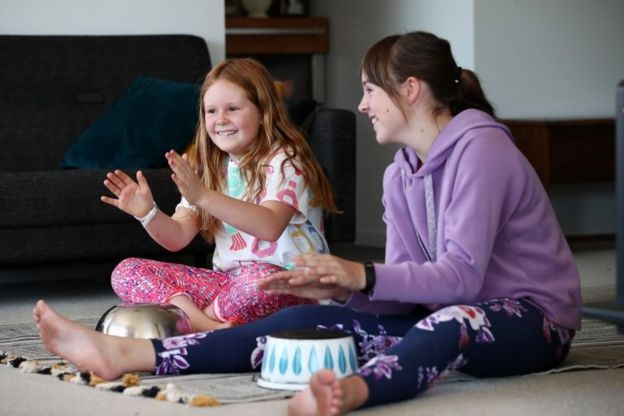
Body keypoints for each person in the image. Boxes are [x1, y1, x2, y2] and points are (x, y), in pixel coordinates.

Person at [34, 31, 582, 415]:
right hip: (444, 307)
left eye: (370, 90)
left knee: (450, 322)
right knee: (317, 326)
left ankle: (355, 393)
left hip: (532, 319)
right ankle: (131, 354)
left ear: (410, 89)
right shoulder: (400, 175)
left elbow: (460, 278)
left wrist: (361, 275)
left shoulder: (481, 149)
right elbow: (409, 287)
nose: (362, 105)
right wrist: (342, 291)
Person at [99, 57, 337, 331]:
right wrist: (147, 213)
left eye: (233, 109)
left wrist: (203, 196)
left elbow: (270, 225)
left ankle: (191, 322)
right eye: (211, 111)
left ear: (262, 111)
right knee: (127, 271)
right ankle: (208, 325)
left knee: (261, 281)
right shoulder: (208, 169)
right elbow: (177, 237)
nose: (220, 120)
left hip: (293, 287)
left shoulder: (285, 161)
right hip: (229, 288)